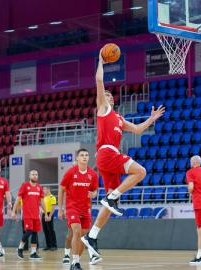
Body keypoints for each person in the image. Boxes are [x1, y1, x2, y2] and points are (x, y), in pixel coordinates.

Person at [81, 49, 165, 257]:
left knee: (109, 204)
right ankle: (114, 196)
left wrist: (151, 119)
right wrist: (101, 61)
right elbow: (99, 81)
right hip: (107, 153)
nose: (107, 95)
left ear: (113, 100)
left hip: (107, 159)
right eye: (105, 95)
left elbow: (137, 130)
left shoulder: (118, 118)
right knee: (141, 172)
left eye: (110, 95)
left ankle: (91, 236)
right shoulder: (104, 109)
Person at [58, 148, 99, 270]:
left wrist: (94, 194)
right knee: (76, 231)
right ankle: (75, 262)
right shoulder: (71, 172)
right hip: (72, 208)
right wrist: (60, 209)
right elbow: (61, 189)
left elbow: (95, 190)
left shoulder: (93, 174)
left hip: (85, 209)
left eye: (86, 155)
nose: (85, 157)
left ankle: (75, 262)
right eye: (82, 155)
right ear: (77, 158)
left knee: (83, 237)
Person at [11, 170, 45, 260]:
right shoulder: (25, 185)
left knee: (35, 233)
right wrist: (13, 211)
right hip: (27, 214)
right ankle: (20, 248)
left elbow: (42, 201)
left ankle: (33, 253)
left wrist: (46, 212)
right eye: (33, 174)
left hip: (36, 214)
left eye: (36, 174)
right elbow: (18, 200)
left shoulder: (39, 187)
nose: (35, 176)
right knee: (29, 231)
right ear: (29, 176)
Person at [42, 186, 57, 251]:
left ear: (48, 189)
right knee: (45, 230)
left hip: (49, 214)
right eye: (43, 190)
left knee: (51, 230)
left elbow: (53, 207)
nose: (43, 191)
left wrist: (50, 216)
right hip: (44, 214)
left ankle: (54, 246)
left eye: (44, 189)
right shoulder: (44, 198)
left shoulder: (52, 197)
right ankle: (48, 245)